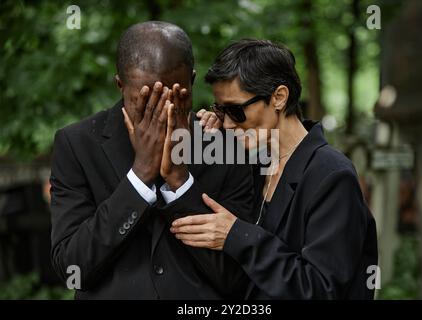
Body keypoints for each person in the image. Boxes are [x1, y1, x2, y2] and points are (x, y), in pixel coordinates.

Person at [50, 21, 254, 299]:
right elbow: (73, 268)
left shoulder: (225, 146)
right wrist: (140, 176)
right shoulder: (78, 145)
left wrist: (180, 183)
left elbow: (236, 278)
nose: (161, 114)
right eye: (145, 101)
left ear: (191, 81)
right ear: (120, 85)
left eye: (173, 99)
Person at [170, 39, 378, 299]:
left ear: (279, 97)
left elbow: (321, 290)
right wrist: (207, 133)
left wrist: (238, 236)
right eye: (221, 110)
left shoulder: (332, 175)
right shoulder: (254, 166)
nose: (227, 124)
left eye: (235, 110)